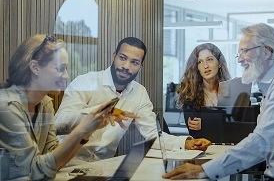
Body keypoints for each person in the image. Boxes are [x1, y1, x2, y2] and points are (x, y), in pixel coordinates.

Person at [163, 23, 274, 180]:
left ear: (266, 51)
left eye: (245, 51)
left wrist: (205, 170)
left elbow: (262, 141)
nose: (239, 59)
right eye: (240, 52)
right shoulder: (272, 86)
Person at [54, 37, 211, 163]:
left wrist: (186, 143)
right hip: (65, 164)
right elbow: (58, 123)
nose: (126, 66)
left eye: (134, 62)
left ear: (140, 66)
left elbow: (152, 134)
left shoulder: (139, 92)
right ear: (113, 56)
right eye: (122, 58)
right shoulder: (85, 82)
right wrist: (99, 114)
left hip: (102, 167)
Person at [0, 34, 111, 180]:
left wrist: (88, 132)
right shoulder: (6, 106)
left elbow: (54, 157)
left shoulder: (45, 103)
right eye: (60, 68)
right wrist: (82, 129)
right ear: (35, 67)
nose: (66, 76)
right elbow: (32, 170)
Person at [176, 43, 231, 137]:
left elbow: (240, 126)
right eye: (200, 62)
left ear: (219, 63)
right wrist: (220, 122)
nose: (205, 66)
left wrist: (205, 122)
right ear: (197, 68)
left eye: (209, 59)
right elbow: (196, 133)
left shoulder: (233, 91)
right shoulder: (190, 96)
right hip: (204, 149)